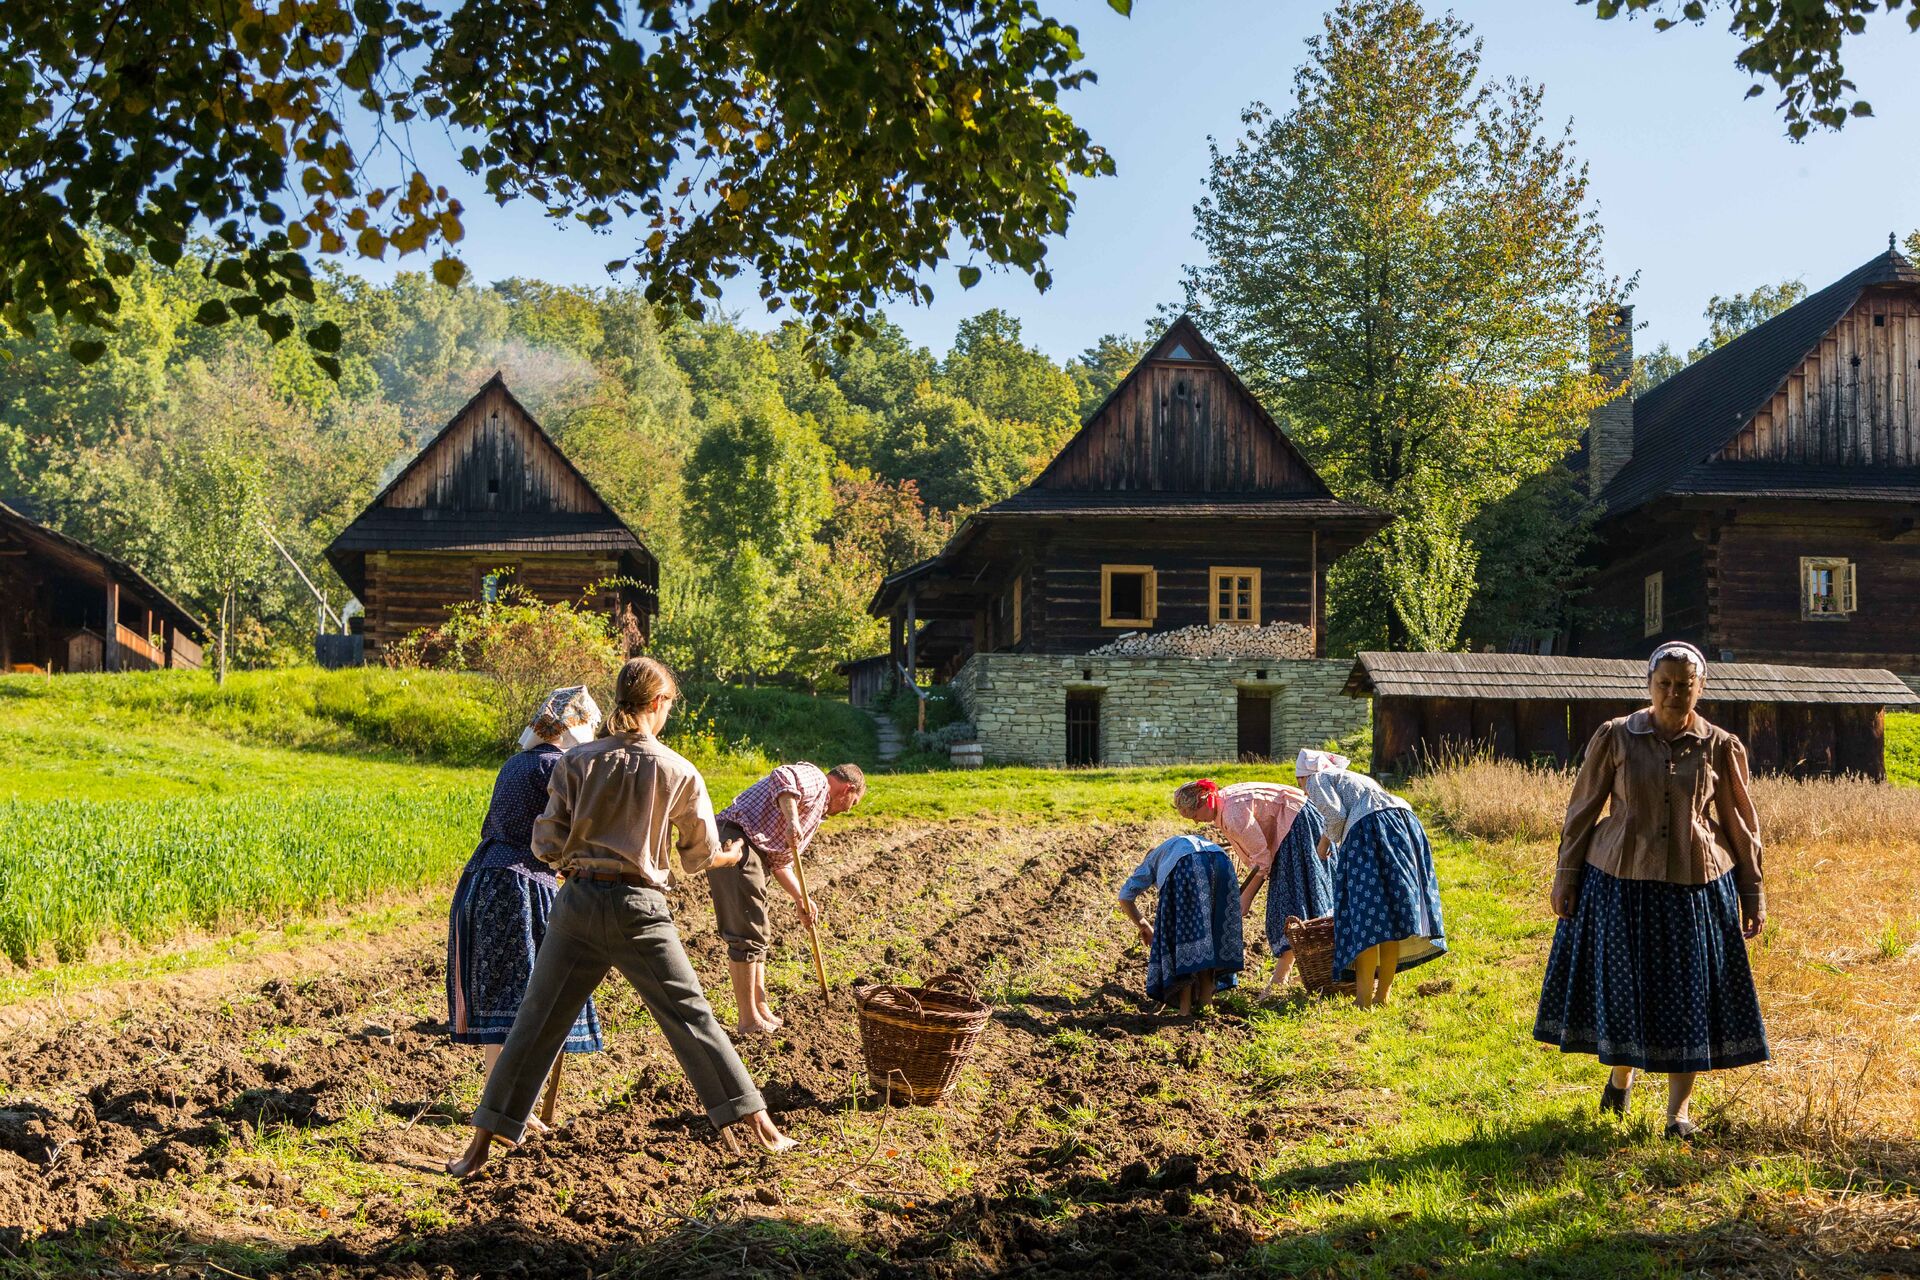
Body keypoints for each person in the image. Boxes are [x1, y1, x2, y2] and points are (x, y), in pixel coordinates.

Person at [446, 657, 793, 1178]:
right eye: (670, 704)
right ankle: (758, 1124)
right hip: (640, 913)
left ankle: (478, 1147)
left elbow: (544, 842)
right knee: (690, 1017)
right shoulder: (677, 769)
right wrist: (728, 855)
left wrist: (574, 862)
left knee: (534, 1023)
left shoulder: (577, 761)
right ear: (657, 704)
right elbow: (697, 857)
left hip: (577, 906)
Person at [1533, 640, 1768, 1140]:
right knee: (1625, 991)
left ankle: (1677, 1114)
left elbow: (1740, 825)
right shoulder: (1616, 737)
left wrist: (1753, 893)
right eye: (1665, 683)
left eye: (1686, 685)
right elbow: (1582, 812)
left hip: (1695, 887)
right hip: (1618, 882)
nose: (1674, 693)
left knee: (1689, 998)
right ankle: (1621, 1077)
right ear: (1649, 684)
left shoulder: (1720, 746)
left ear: (1701, 688)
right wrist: (1566, 876)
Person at [446, 686, 605, 1122]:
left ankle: (500, 1100)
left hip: (482, 878)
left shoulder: (517, 763)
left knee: (505, 997)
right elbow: (573, 833)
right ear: (577, 729)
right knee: (527, 999)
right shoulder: (559, 768)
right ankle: (513, 1105)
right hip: (521, 886)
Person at [709, 761, 866, 1035]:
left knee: (759, 931)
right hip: (737, 840)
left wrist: (801, 899)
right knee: (747, 932)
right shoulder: (817, 781)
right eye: (851, 804)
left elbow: (781, 862)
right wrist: (792, 819)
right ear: (848, 789)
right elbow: (783, 776)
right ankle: (748, 1020)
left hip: (757, 853)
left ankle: (760, 1008)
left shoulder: (816, 813)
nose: (845, 811)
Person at [1297, 748, 1446, 1009]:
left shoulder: (1317, 779)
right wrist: (1326, 840)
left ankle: (1363, 999)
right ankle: (1382, 996)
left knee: (1364, 918)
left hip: (1371, 832)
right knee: (1389, 918)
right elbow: (1341, 814)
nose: (1303, 789)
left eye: (1299, 782)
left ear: (1304, 776)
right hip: (1404, 823)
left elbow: (1335, 816)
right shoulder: (1354, 778)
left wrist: (1326, 844)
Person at [1173, 778, 1331, 996]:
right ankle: (1301, 970)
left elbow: (1262, 861)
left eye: (1195, 816)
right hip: (1294, 824)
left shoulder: (1233, 814)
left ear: (1205, 801)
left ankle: (1284, 978)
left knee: (1291, 901)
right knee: (1295, 900)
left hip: (1299, 825)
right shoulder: (1224, 804)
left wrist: (1246, 897)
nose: (1197, 823)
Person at [1116, 833, 1245, 1016]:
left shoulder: (1152, 861)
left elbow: (1125, 896)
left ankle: (1185, 1010)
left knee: (1183, 941)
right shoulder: (1174, 846)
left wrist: (1144, 925)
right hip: (1222, 861)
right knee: (1211, 937)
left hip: (1186, 867)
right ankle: (1206, 1004)